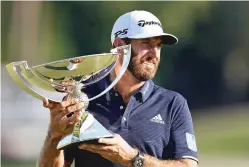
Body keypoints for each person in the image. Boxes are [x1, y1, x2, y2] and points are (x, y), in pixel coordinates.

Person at [38, 10, 198, 167]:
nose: (154, 53)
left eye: (158, 45)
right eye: (146, 43)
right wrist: (54, 135)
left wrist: (132, 158)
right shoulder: (83, 98)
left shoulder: (173, 104)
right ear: (120, 46)